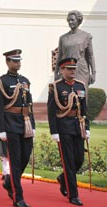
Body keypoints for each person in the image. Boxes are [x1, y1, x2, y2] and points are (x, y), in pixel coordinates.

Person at [0, 49, 35, 207]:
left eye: (19, 61)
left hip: (25, 123)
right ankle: (18, 198)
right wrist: (0, 129)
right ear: (7, 62)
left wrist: (33, 125)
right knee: (15, 161)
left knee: (25, 157)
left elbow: (29, 105)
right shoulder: (1, 82)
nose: (17, 63)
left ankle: (10, 180)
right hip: (10, 124)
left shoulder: (25, 81)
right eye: (14, 61)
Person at [48, 58, 89, 206]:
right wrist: (54, 131)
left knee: (79, 159)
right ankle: (73, 195)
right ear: (62, 70)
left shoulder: (80, 85)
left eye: (74, 68)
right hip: (63, 127)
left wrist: (87, 127)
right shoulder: (56, 87)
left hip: (78, 127)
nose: (72, 71)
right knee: (69, 162)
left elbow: (84, 109)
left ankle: (62, 178)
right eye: (69, 68)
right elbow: (51, 111)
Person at [55, 10, 96, 88]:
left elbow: (90, 56)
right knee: (65, 94)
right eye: (69, 20)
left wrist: (93, 73)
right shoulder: (63, 38)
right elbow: (60, 56)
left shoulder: (86, 36)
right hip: (66, 68)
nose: (70, 22)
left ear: (78, 21)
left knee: (81, 94)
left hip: (81, 69)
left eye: (72, 20)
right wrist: (56, 72)